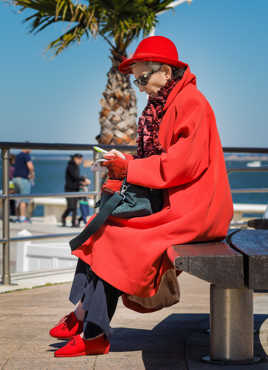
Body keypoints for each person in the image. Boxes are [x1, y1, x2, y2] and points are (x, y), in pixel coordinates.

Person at [49, 36, 233, 357]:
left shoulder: (191, 103)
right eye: (136, 81)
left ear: (165, 71)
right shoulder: (164, 104)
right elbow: (165, 162)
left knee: (117, 239)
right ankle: (86, 320)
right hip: (173, 201)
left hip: (195, 210)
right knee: (101, 224)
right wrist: (126, 164)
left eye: (143, 78)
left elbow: (182, 164)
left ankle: (89, 327)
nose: (141, 85)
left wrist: (129, 167)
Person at [61, 153, 84, 227]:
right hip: (69, 189)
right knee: (71, 207)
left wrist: (81, 184)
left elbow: (76, 178)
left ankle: (73, 222)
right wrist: (83, 179)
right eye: (80, 160)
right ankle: (63, 217)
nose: (81, 161)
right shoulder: (70, 166)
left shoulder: (76, 166)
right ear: (76, 159)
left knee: (75, 207)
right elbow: (75, 176)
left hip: (75, 189)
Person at [13, 149, 35, 222]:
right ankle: (23, 218)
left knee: (18, 199)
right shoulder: (26, 155)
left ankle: (18, 217)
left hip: (15, 179)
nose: (31, 150)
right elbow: (30, 167)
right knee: (24, 199)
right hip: (23, 179)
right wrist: (32, 174)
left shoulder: (18, 156)